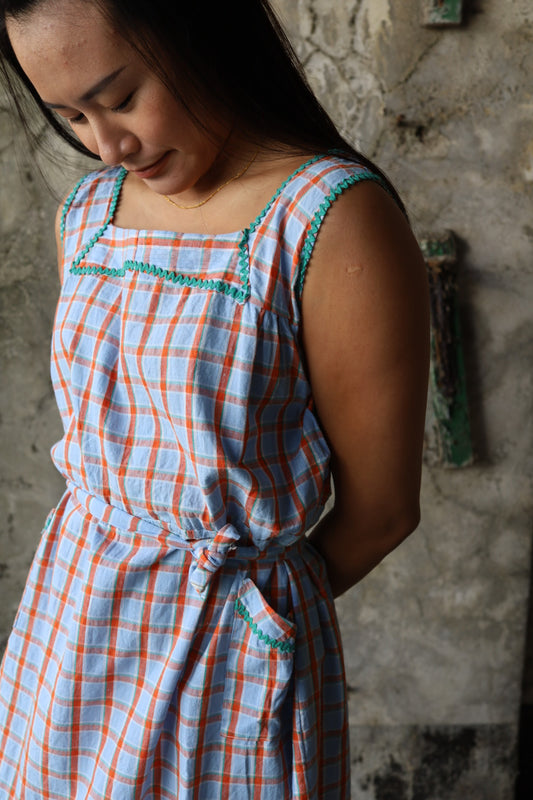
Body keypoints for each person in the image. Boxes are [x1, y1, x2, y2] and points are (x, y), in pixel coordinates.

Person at [0, 0, 430, 797]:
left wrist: (246, 611)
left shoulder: (328, 218)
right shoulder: (88, 217)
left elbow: (380, 513)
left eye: (121, 98)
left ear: (204, 35)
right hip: (69, 635)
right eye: (71, 115)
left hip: (222, 656)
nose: (108, 144)